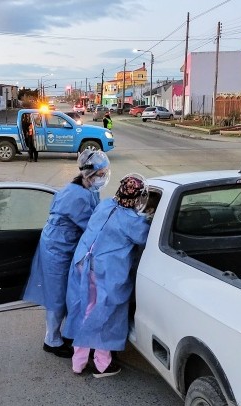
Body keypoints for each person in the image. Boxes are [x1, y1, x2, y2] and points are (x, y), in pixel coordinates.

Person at [24, 150, 111, 358]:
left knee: (67, 290)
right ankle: (51, 340)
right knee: (57, 293)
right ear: (90, 175)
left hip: (64, 244)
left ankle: (67, 332)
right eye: (101, 173)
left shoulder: (87, 189)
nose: (103, 177)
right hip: (57, 247)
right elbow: (92, 227)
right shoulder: (77, 195)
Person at [63, 174, 151, 378]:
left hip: (82, 263)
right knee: (105, 314)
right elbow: (146, 238)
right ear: (139, 198)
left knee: (84, 309)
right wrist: (147, 217)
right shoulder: (132, 221)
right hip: (105, 272)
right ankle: (102, 364)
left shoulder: (104, 205)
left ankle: (79, 361)